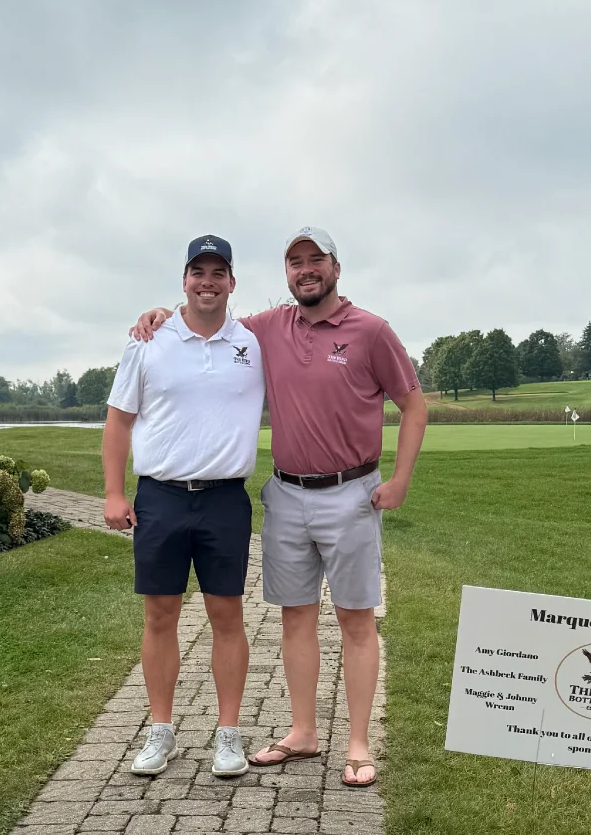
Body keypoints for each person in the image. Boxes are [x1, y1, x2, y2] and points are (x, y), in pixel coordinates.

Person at [130, 226, 428, 788]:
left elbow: (413, 405)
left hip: (352, 492)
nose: (306, 269)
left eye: (316, 260)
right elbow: (205, 315)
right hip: (286, 495)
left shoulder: (371, 330)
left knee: (357, 620)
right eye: (296, 262)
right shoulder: (267, 328)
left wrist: (402, 480)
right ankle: (303, 732)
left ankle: (359, 745)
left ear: (335, 268)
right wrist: (160, 313)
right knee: (296, 618)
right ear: (286, 274)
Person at [103, 234, 266, 779]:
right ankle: (161, 730)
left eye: (218, 272)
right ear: (184, 280)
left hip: (224, 500)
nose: (208, 281)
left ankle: (228, 734)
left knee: (226, 614)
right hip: (162, 497)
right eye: (198, 271)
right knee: (159, 615)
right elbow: (119, 422)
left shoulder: (252, 343)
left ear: (232, 283)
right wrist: (113, 492)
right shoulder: (148, 342)